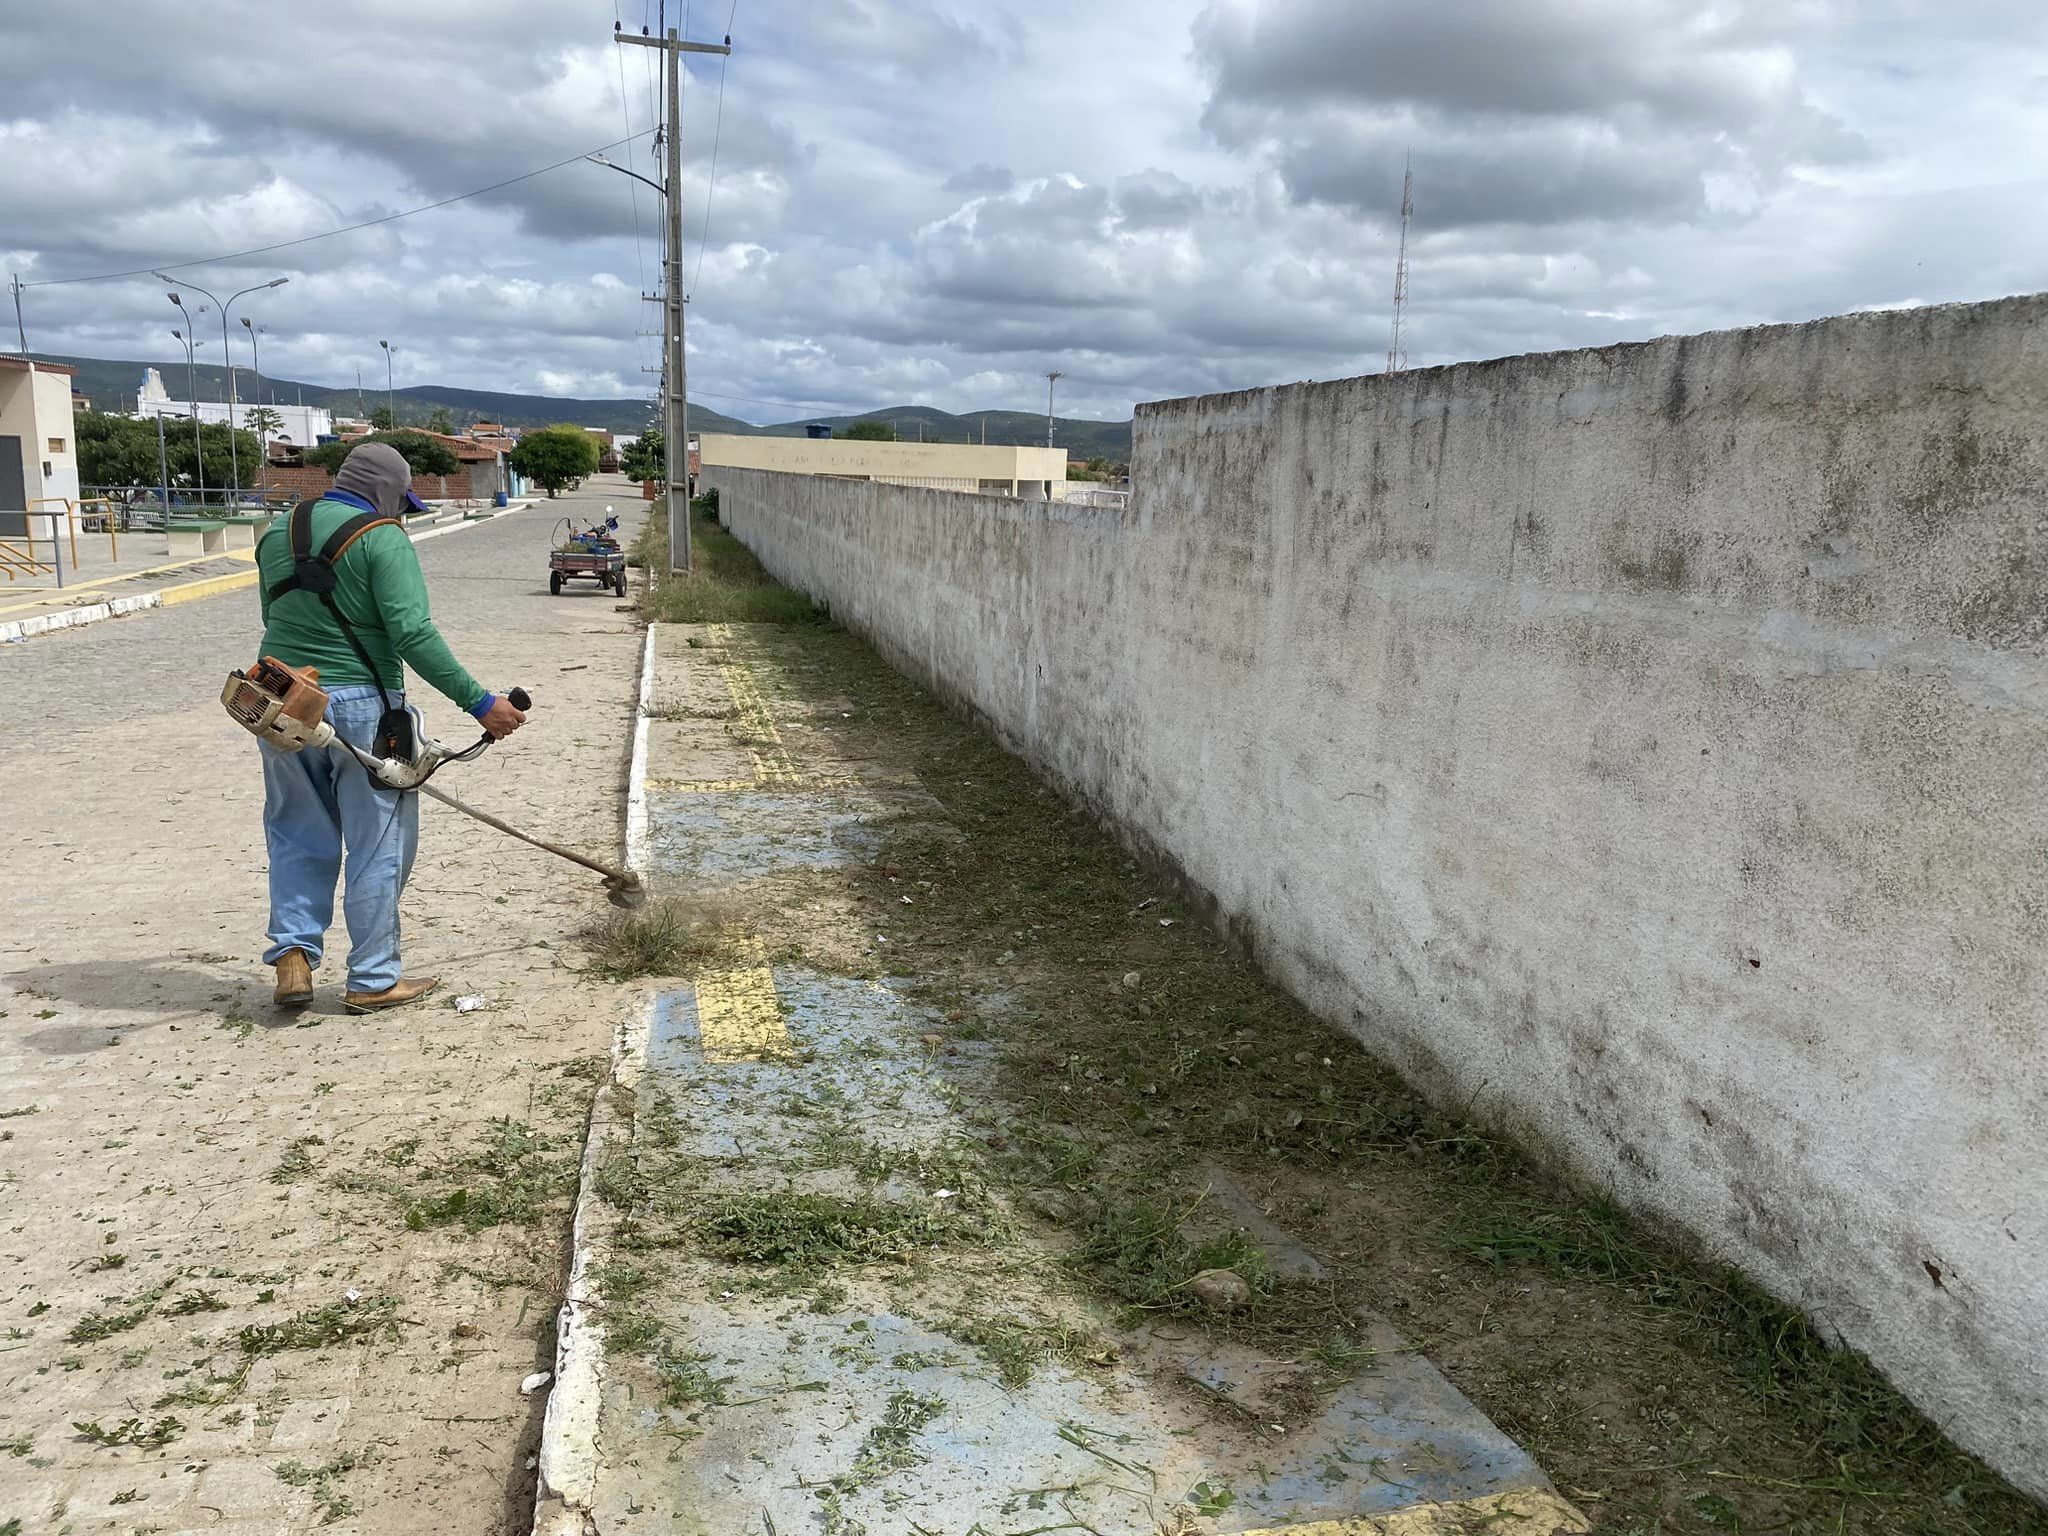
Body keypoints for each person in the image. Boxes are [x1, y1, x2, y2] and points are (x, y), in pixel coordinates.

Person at [253, 441, 524, 1013]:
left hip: (282, 701)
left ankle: (293, 955)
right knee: (378, 840)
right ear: (386, 492)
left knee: (295, 830)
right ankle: (373, 978)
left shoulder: (278, 532)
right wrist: (480, 704)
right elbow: (412, 633)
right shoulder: (382, 538)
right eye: (400, 502)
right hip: (363, 708)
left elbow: (272, 617)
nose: (400, 513)